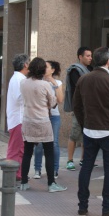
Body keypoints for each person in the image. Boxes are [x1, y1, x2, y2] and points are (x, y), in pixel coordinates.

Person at [73, 47, 109, 216]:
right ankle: (107, 208)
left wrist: (84, 123)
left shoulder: (84, 79)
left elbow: (76, 106)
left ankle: (82, 207)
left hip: (90, 129)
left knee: (86, 166)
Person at [19, 57, 67, 193]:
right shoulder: (45, 85)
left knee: (27, 152)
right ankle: (51, 183)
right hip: (42, 122)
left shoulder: (23, 83)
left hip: (28, 121)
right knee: (49, 152)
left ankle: (23, 182)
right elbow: (53, 103)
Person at [33, 60, 64, 179]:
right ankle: (37, 169)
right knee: (39, 143)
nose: (44, 68)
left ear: (53, 70)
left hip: (54, 116)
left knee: (54, 143)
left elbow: (60, 100)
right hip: (41, 115)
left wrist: (54, 84)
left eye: (46, 67)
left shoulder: (58, 82)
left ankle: (55, 169)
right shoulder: (38, 81)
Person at [64, 46, 92, 171]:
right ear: (80, 57)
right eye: (87, 56)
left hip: (88, 106)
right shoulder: (75, 71)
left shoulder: (90, 69)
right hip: (78, 106)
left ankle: (83, 159)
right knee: (74, 134)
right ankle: (70, 160)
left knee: (87, 133)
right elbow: (79, 86)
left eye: (91, 56)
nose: (90, 58)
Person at [6, 54, 30, 182]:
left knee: (20, 148)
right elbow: (20, 98)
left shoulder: (19, 78)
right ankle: (12, 173)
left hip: (19, 118)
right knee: (16, 148)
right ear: (25, 65)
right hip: (18, 119)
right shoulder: (18, 79)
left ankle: (18, 172)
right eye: (29, 63)